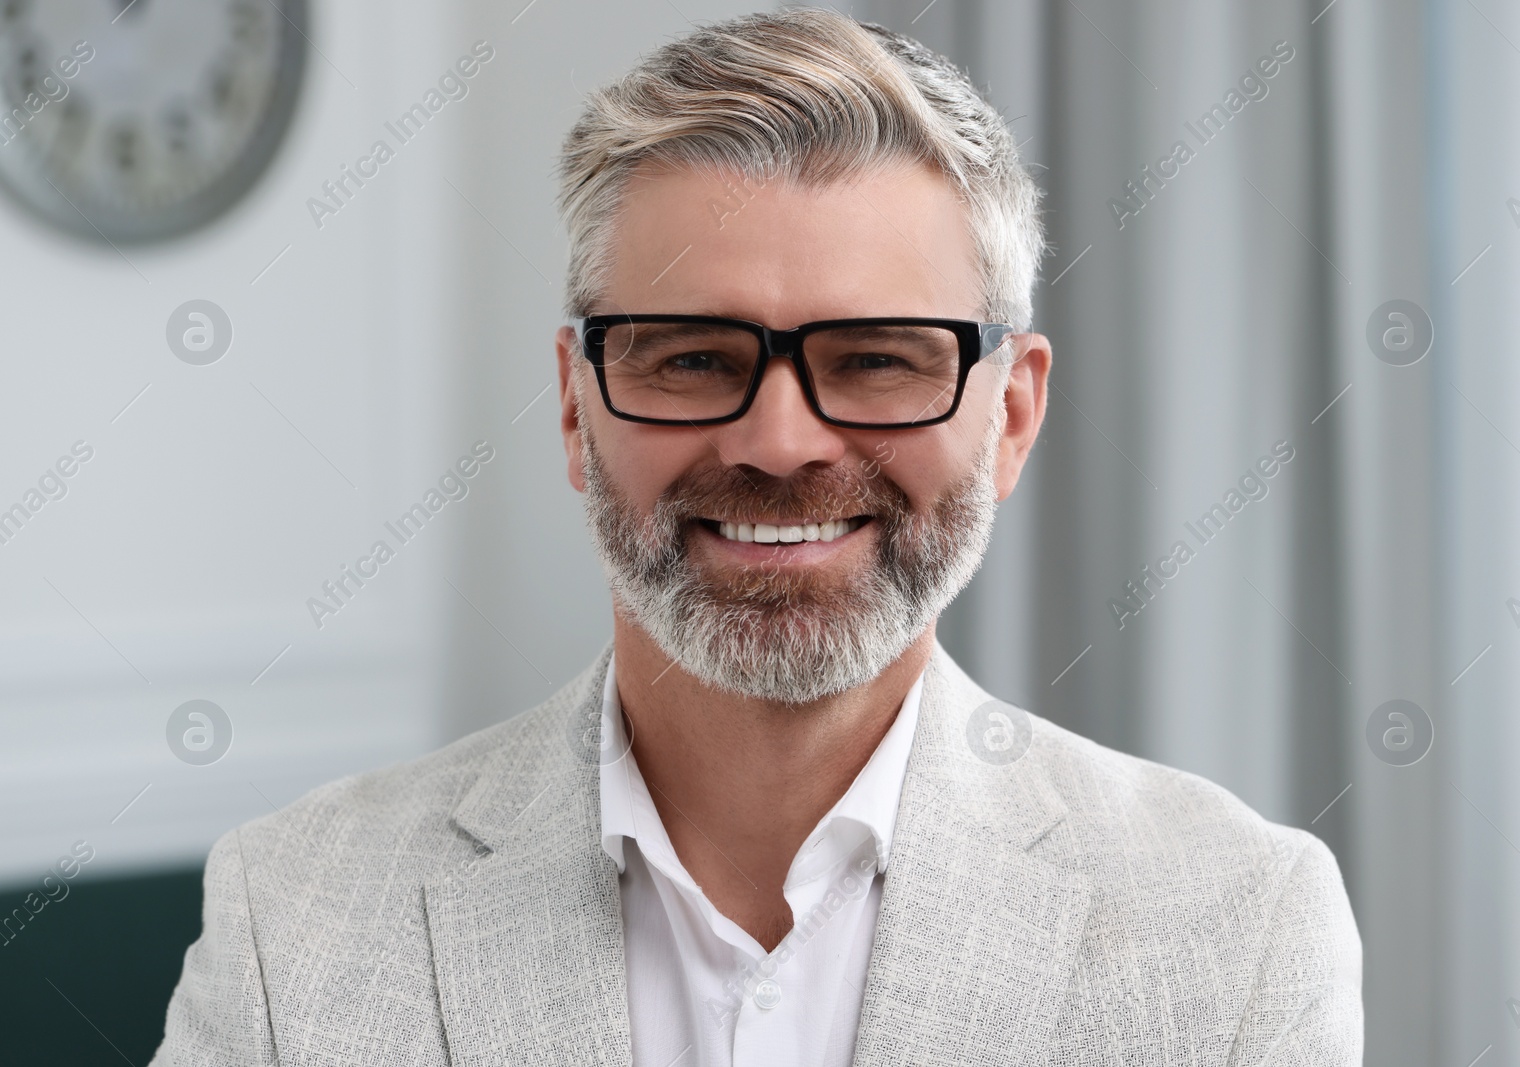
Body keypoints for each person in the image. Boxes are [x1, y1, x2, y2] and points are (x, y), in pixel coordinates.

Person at [152, 9, 1361, 1066]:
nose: (780, 441)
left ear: (1012, 414)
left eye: (878, 359)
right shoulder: (294, 916)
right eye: (691, 357)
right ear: (576, 408)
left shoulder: (1235, 926)